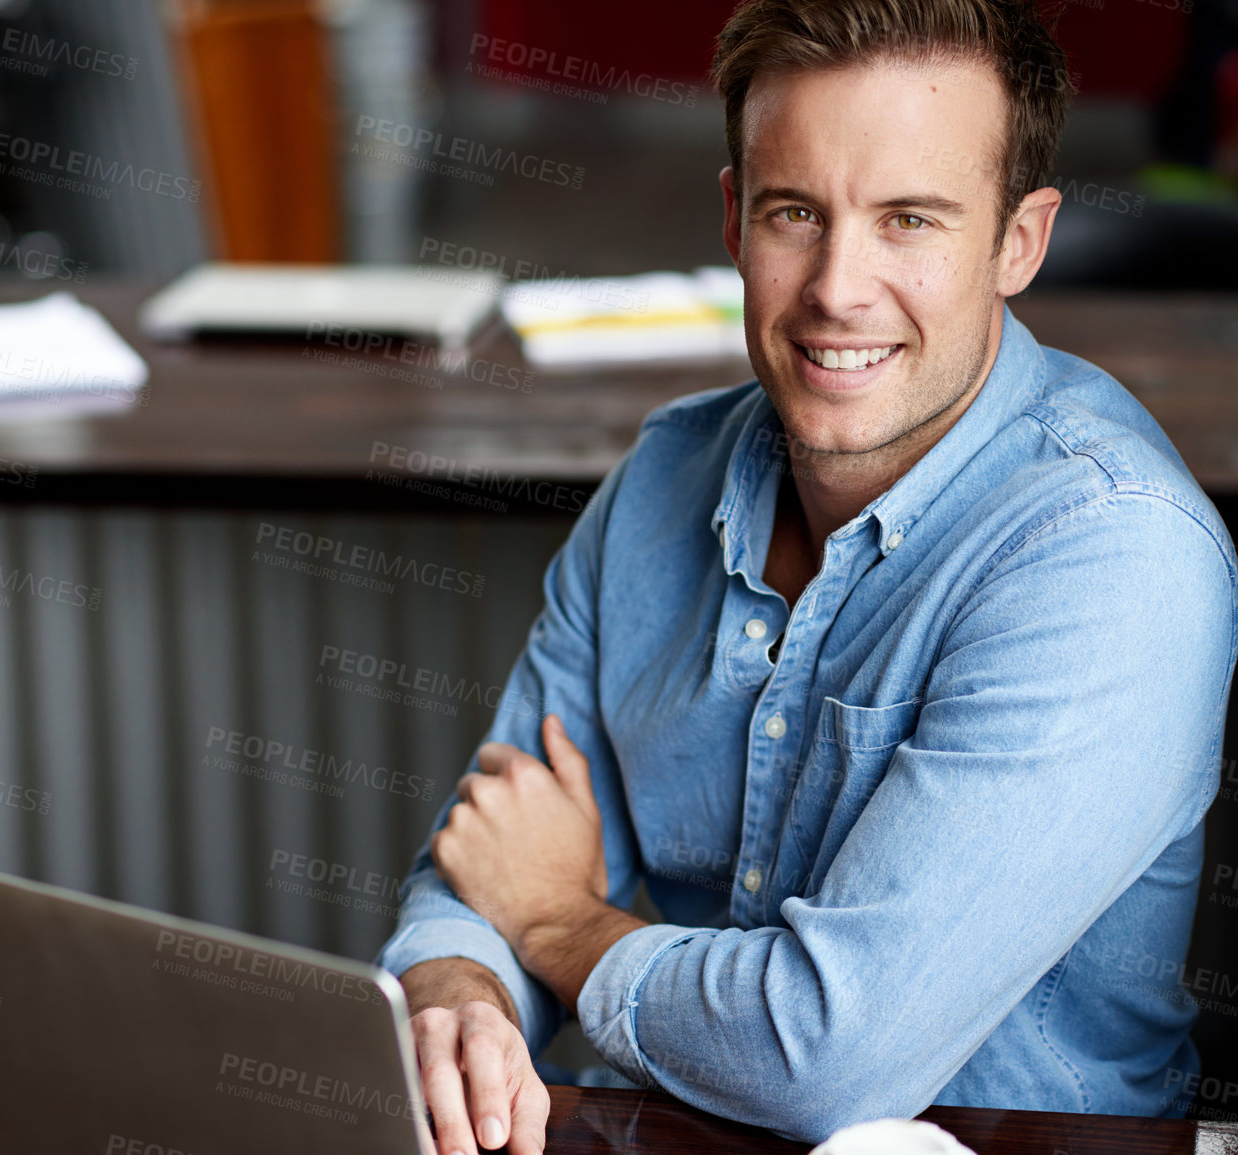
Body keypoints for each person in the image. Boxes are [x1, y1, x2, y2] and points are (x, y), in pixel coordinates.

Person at [375, 0, 1238, 1150]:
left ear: (1018, 242)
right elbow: (490, 845)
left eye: (910, 221)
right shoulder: (663, 480)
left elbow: (831, 1057)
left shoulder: (1113, 555)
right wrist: (458, 995)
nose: (838, 288)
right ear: (735, 218)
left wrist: (550, 919)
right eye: (797, 213)